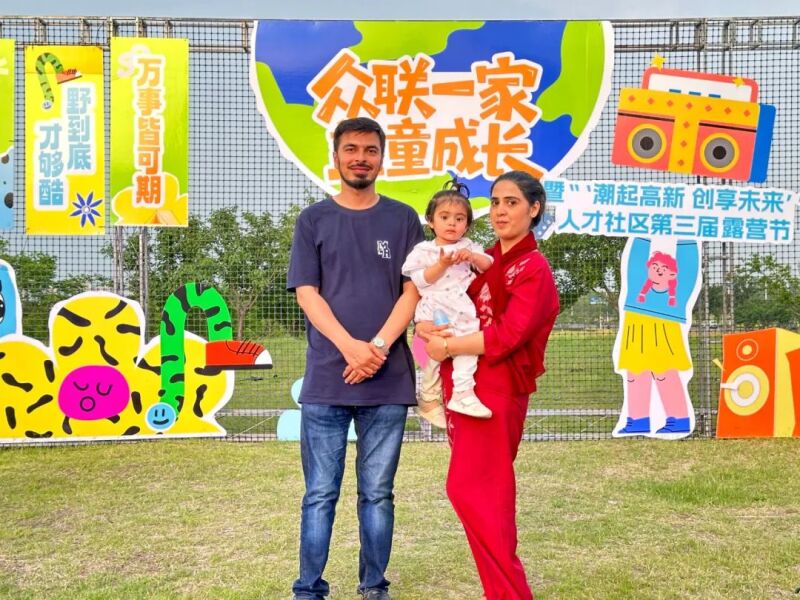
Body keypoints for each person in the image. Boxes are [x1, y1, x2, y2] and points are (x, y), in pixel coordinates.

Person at [286, 117, 424, 600]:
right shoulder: (313, 220)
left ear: (382, 158)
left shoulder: (404, 219)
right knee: (319, 494)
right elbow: (307, 292)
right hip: (327, 380)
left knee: (377, 494)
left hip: (388, 382)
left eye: (370, 150)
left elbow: (413, 291)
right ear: (337, 156)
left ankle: (374, 586)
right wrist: (350, 347)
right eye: (351, 149)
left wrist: (378, 348)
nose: (360, 158)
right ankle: (309, 589)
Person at [420, 170, 559, 599]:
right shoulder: (485, 259)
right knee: (475, 494)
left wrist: (449, 346)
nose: (499, 210)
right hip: (468, 383)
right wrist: (427, 328)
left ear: (534, 209)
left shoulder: (532, 268)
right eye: (495, 201)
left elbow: (509, 334)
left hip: (496, 388)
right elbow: (446, 302)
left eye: (511, 202)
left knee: (477, 494)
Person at [401, 179, 494, 428]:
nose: (452, 223)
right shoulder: (423, 250)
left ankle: (458, 393)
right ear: (431, 221)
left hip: (460, 307)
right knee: (432, 350)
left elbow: (488, 265)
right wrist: (441, 264)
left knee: (465, 346)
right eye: (444, 217)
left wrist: (472, 257)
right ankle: (433, 397)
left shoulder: (468, 247)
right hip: (434, 306)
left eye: (459, 218)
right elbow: (420, 280)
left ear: (467, 225)